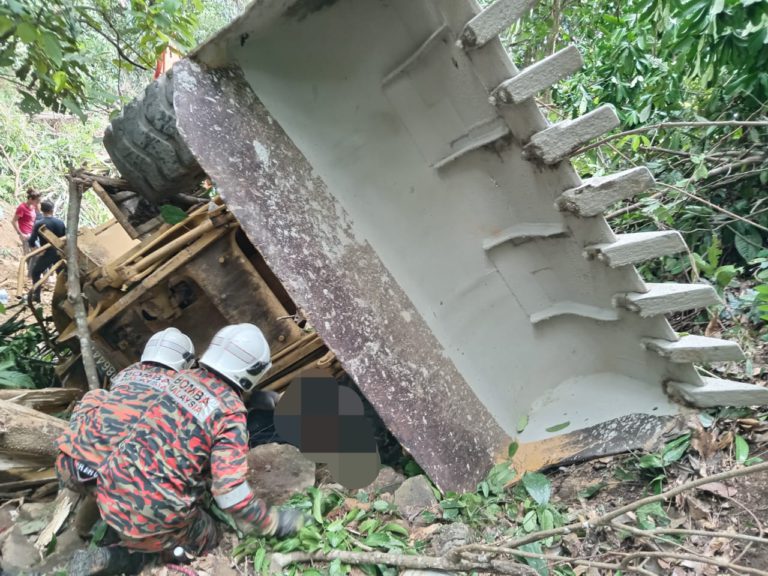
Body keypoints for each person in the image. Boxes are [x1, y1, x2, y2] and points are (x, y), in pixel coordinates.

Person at [70, 324, 305, 575]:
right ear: (255, 370)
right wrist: (274, 523)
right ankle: (120, 558)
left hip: (108, 490)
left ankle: (104, 530)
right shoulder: (230, 415)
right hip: (152, 516)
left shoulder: (176, 379)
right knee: (209, 536)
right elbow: (231, 495)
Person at [55, 327, 196, 498]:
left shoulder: (128, 372)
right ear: (186, 361)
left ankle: (79, 440)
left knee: (97, 395)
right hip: (117, 489)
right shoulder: (182, 389)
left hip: (67, 467)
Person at [27, 200, 66, 302]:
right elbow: (65, 238)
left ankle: (37, 295)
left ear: (42, 210)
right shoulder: (60, 222)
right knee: (61, 274)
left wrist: (38, 251)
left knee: (36, 272)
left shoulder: (39, 223)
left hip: (47, 252)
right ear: (52, 210)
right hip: (59, 252)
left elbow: (31, 241)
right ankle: (64, 297)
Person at [11, 188, 41, 257]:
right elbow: (14, 221)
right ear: (30, 199)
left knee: (37, 252)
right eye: (36, 201)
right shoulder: (22, 207)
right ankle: (26, 267)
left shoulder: (33, 206)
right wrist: (20, 233)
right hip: (25, 234)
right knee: (28, 255)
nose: (37, 203)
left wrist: (37, 205)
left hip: (32, 232)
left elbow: (39, 214)